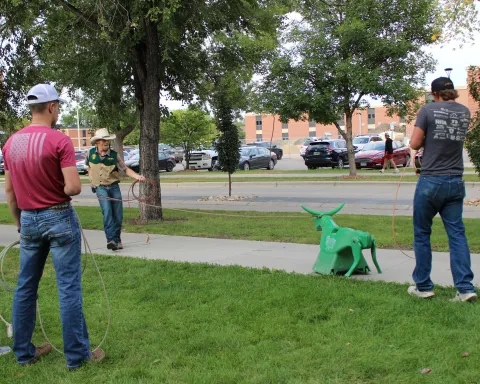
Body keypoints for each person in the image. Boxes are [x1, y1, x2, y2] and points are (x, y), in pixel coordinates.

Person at [3, 83, 105, 369]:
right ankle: (77, 357)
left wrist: (20, 223)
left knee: (25, 288)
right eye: (58, 106)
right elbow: (73, 187)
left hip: (29, 219)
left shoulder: (11, 143)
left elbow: (10, 192)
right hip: (58, 216)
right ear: (51, 107)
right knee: (68, 287)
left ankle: (23, 354)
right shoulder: (59, 141)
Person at [408, 76, 477, 302]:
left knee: (422, 233)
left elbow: (415, 143)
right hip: (455, 180)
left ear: (433, 93)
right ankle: (465, 288)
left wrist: (426, 135)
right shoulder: (464, 111)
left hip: (431, 180)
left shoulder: (427, 110)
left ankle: (424, 286)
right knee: (457, 234)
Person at [86, 129, 145, 251]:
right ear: (97, 142)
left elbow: (125, 169)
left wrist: (137, 176)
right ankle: (111, 240)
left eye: (107, 140)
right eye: (103, 140)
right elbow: (89, 168)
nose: (106, 142)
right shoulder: (90, 154)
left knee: (118, 215)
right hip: (100, 188)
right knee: (107, 212)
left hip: (114, 187)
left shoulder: (114, 155)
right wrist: (92, 181)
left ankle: (117, 240)